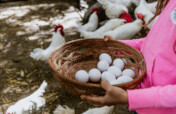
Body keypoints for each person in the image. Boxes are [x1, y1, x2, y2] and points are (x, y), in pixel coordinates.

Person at [80, 0, 176, 113]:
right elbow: (156, 40)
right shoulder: (172, 3)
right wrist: (120, 46)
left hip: (161, 109)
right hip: (140, 99)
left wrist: (128, 97)